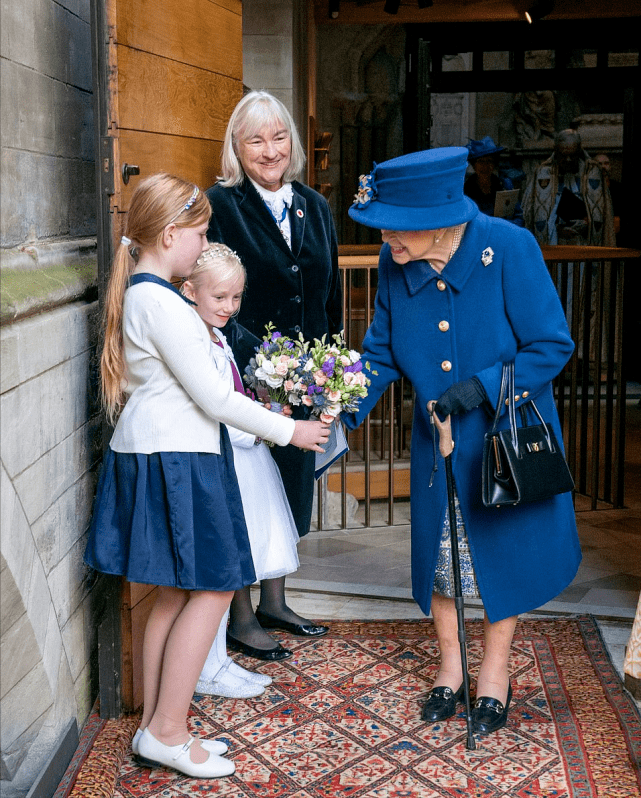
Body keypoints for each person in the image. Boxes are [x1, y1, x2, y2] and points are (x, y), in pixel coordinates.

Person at [83, 174, 329, 778]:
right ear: (170, 235)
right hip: (178, 459)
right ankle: (168, 730)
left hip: (168, 455)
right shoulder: (160, 301)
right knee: (216, 589)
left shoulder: (151, 293)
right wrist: (289, 431)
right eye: (198, 234)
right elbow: (216, 398)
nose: (204, 243)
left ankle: (152, 728)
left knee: (174, 592)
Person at [344, 148, 581, 735]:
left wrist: (481, 388)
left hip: (503, 438)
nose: (386, 238)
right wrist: (335, 411)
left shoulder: (509, 248)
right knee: (444, 562)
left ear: (438, 216)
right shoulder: (395, 259)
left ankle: (495, 674)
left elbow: (551, 346)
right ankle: (451, 669)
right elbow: (379, 352)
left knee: (500, 554)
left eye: (395, 225)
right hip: (438, 443)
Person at [204, 90, 343, 660]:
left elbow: (328, 290)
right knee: (247, 492)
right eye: (256, 139)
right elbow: (210, 290)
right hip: (246, 375)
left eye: (279, 137)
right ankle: (239, 615)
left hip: (306, 379)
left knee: (291, 485)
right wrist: (258, 365)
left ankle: (275, 601)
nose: (270, 150)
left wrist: (329, 369)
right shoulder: (221, 203)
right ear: (237, 147)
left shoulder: (315, 204)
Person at [180, 244, 301, 698]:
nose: (230, 308)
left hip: (242, 457)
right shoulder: (194, 338)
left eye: (236, 298)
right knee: (217, 573)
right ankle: (208, 667)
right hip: (223, 457)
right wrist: (263, 429)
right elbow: (211, 410)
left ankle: (217, 662)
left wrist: (263, 410)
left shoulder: (218, 335)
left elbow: (232, 397)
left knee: (226, 570)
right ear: (190, 291)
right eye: (220, 299)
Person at [521, 129, 615, 245]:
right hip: (554, 246)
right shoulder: (542, 173)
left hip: (585, 246)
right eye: (564, 156)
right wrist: (555, 229)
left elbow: (604, 217)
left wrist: (587, 223)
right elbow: (529, 216)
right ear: (556, 152)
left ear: (579, 151)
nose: (568, 160)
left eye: (572, 155)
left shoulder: (592, 172)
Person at [464, 136, 524, 226]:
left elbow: (518, 217)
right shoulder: (466, 189)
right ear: (474, 165)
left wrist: (506, 226)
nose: (485, 166)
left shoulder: (505, 185)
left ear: (494, 164)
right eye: (481, 162)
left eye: (489, 161)